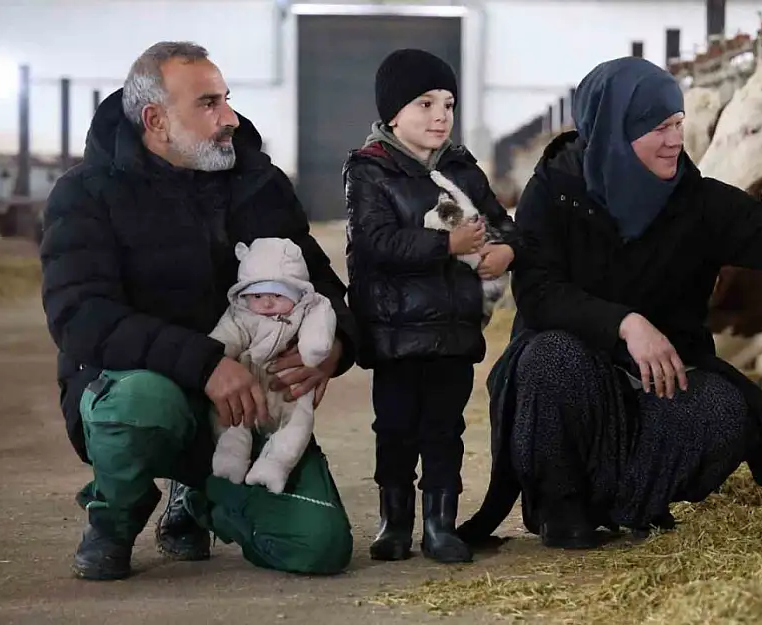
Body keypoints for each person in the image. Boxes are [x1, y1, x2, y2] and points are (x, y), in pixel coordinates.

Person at [455, 57, 762, 549]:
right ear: (614, 129)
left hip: (659, 378)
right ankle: (562, 505)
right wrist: (626, 324)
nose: (675, 139)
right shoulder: (556, 191)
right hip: (575, 376)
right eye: (657, 127)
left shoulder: (695, 202)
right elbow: (540, 293)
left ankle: (625, 503)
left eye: (677, 124)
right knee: (550, 357)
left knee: (724, 411)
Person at [39, 41, 359, 581]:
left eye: (226, 99)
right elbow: (79, 315)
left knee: (317, 547)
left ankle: (201, 494)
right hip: (148, 391)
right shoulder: (86, 194)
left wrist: (338, 348)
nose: (230, 118)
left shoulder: (261, 186)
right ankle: (115, 513)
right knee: (140, 402)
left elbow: (322, 286)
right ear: (156, 120)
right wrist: (206, 363)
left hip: (246, 406)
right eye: (209, 104)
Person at [342, 48, 521, 564]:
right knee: (395, 430)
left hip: (453, 331)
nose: (441, 115)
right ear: (393, 113)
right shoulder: (368, 171)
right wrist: (447, 247)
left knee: (445, 430)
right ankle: (393, 522)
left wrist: (505, 249)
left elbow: (503, 225)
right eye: (425, 104)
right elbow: (374, 243)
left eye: (448, 103)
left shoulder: (464, 169)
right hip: (396, 334)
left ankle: (440, 526)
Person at [207, 237, 338, 496]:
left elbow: (319, 327)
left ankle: (276, 464)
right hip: (244, 390)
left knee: (298, 423)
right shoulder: (240, 315)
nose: (266, 304)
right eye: (257, 295)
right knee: (227, 416)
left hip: (288, 390)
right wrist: (211, 359)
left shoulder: (307, 309)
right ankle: (231, 455)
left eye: (277, 295)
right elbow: (223, 340)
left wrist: (316, 349)